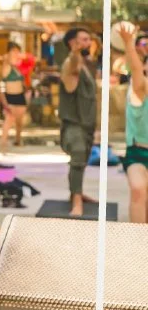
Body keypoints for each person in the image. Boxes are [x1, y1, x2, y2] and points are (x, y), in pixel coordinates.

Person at [59, 26, 98, 218]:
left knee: (80, 162)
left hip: (87, 123)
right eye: (83, 39)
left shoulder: (87, 65)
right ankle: (76, 201)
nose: (87, 43)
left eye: (88, 39)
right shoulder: (70, 63)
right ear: (72, 43)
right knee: (78, 157)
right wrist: (75, 54)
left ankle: (78, 193)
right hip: (74, 123)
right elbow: (72, 67)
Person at [116, 23, 148, 222]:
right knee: (138, 190)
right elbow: (136, 69)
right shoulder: (140, 88)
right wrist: (129, 43)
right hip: (138, 152)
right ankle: (137, 243)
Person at [0, 42, 30, 150]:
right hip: (10, 95)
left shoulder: (17, 67)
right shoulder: (7, 64)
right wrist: (14, 55)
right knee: (9, 120)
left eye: (17, 51)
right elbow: (8, 58)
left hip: (20, 95)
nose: (16, 53)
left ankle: (17, 140)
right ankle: (2, 142)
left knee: (19, 122)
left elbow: (28, 60)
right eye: (14, 51)